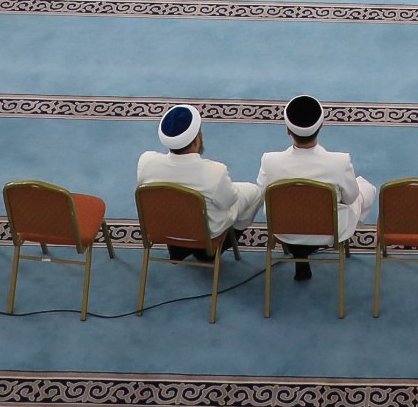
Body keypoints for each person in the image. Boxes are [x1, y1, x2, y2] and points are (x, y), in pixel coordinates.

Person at [255, 94, 375, 282]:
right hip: (329, 231)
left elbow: (262, 196)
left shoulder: (270, 161)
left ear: (288, 130)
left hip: (284, 231)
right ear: (321, 126)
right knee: (366, 188)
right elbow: (351, 198)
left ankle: (300, 257)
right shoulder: (339, 162)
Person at [136, 104, 261, 259]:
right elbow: (228, 202)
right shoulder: (215, 172)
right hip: (205, 235)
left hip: (163, 229)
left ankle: (178, 247)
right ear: (197, 139)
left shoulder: (146, 162)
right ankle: (216, 248)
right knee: (254, 192)